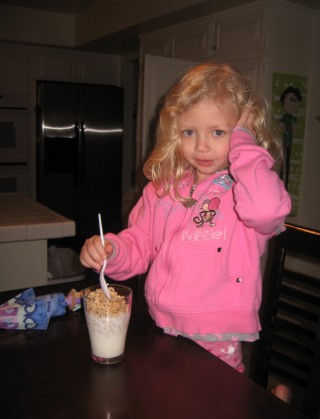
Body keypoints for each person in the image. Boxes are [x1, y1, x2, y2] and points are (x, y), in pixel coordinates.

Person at [80, 62, 292, 397]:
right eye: (189, 132)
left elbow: (268, 210)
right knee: (166, 408)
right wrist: (112, 251)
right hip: (162, 325)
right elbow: (140, 243)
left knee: (214, 412)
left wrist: (244, 146)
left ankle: (271, 407)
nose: (202, 147)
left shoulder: (247, 189)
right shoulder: (163, 190)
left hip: (217, 336)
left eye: (218, 132)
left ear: (241, 134)